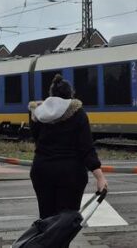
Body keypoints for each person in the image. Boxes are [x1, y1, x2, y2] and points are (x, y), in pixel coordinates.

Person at [28, 74, 108, 221]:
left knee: (47, 220)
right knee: (65, 223)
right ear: (70, 94)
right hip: (70, 174)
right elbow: (86, 148)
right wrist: (100, 177)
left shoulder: (37, 114)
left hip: (42, 171)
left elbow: (36, 139)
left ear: (51, 94)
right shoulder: (78, 113)